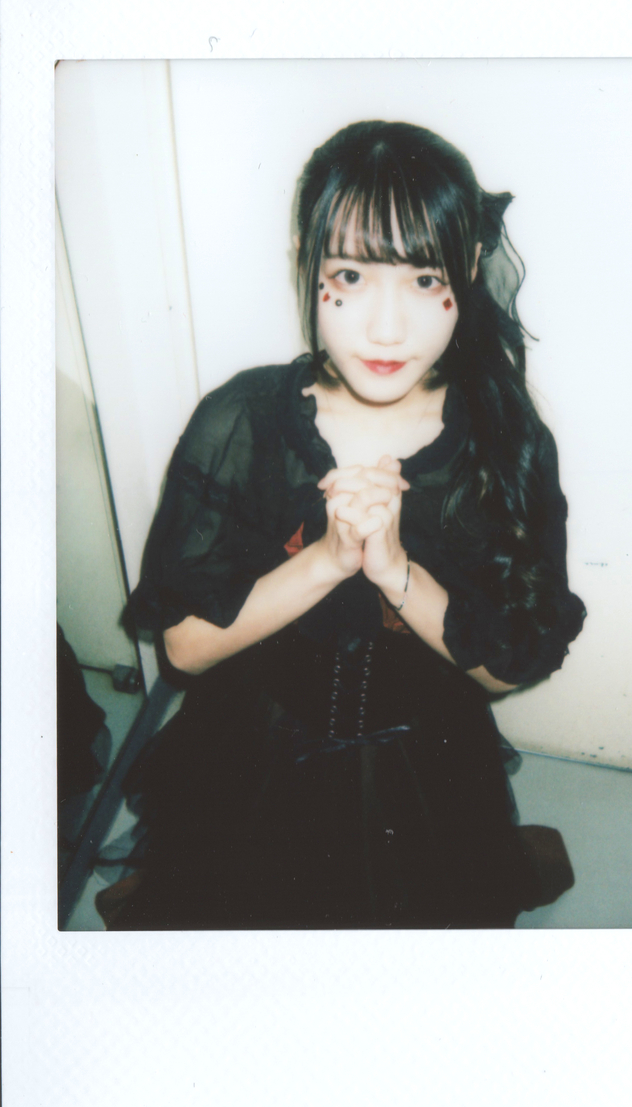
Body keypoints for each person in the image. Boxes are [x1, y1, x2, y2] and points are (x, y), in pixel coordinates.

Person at [105, 120, 586, 931]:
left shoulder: (503, 440)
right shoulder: (244, 419)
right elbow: (183, 650)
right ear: (307, 263)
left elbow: (502, 672)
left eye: (423, 278)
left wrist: (396, 571)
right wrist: (329, 558)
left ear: (467, 269)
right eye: (351, 276)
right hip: (252, 750)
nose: (385, 329)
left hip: (426, 763)